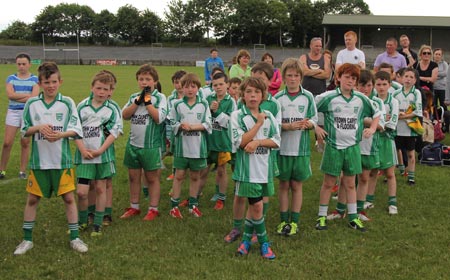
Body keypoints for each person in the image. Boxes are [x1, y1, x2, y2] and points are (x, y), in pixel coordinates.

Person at [13, 62, 88, 255]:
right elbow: (24, 131)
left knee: (69, 198)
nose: (50, 86)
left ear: (60, 81)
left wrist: (60, 135)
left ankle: (75, 238)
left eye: (54, 81)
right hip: (39, 163)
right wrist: (38, 128)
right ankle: (27, 240)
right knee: (32, 200)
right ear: (40, 83)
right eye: (46, 82)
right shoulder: (31, 104)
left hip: (62, 162)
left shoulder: (67, 103)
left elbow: (76, 129)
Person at [314, 63, 380, 232]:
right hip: (334, 147)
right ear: (338, 77)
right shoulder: (328, 97)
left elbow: (377, 112)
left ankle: (353, 217)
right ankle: (321, 217)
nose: (350, 81)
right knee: (328, 183)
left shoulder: (361, 99)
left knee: (350, 183)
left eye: (353, 78)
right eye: (347, 77)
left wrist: (372, 128)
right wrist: (316, 127)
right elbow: (310, 109)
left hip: (352, 147)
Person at [231, 77, 280, 260]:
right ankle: (264, 242)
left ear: (263, 95)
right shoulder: (237, 115)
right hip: (247, 171)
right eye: (249, 92)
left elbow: (276, 141)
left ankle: (245, 240)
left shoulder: (269, 115)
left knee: (255, 208)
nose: (253, 96)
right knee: (257, 206)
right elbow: (241, 142)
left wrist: (258, 141)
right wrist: (258, 124)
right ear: (243, 95)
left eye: (257, 92)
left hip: (264, 170)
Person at [274, 58, 318, 236]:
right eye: (289, 75)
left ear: (301, 77)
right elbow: (273, 124)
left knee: (297, 185)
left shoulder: (307, 97)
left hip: (301, 150)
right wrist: (287, 127)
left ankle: (295, 222)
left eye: (296, 75)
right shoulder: (277, 98)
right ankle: (283, 220)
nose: (293, 79)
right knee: (284, 185)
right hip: (282, 149)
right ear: (284, 77)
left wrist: (308, 124)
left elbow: (314, 119)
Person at [74, 71, 121, 236]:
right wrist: (82, 150)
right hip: (84, 156)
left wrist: (100, 150)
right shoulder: (82, 106)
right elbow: (75, 130)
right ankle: (82, 221)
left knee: (101, 188)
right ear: (92, 87)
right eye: (98, 88)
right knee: (81, 191)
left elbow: (114, 132)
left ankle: (98, 224)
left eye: (105, 89)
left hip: (103, 156)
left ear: (110, 91)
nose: (101, 92)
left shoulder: (112, 108)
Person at [120, 64, 167, 221]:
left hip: (151, 146)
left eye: (148, 79)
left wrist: (147, 103)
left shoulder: (160, 98)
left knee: (152, 178)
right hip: (133, 145)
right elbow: (125, 115)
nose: (144, 82)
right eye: (141, 79)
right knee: (133, 177)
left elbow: (159, 118)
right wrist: (136, 102)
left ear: (155, 81)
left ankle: (153, 208)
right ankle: (134, 207)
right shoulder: (134, 96)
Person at [168, 73, 212, 218]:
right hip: (182, 147)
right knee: (179, 175)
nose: (190, 89)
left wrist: (194, 127)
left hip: (198, 148)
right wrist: (180, 125)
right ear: (182, 88)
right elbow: (172, 122)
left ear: (198, 88)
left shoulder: (204, 104)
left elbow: (208, 124)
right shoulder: (177, 104)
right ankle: (174, 206)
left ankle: (193, 205)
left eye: (193, 86)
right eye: (186, 86)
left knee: (195, 176)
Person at [364, 71, 400, 215]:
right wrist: (379, 121)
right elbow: (366, 117)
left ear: (389, 85)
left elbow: (393, 122)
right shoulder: (371, 100)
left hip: (386, 140)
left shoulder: (393, 101)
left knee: (390, 173)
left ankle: (392, 203)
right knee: (373, 172)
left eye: (384, 84)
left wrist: (379, 123)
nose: (381, 87)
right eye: (378, 84)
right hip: (373, 140)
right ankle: (369, 200)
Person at [0, 53, 39, 179]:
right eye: (19, 64)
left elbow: (34, 98)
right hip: (13, 112)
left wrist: (20, 97)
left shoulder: (34, 79)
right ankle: (2, 170)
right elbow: (10, 95)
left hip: (27, 113)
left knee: (25, 142)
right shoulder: (11, 78)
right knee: (7, 142)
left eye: (24, 64)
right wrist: (27, 97)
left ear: (29, 64)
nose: (21, 66)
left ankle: (22, 171)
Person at [201, 72, 236, 209]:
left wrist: (215, 112)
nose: (218, 87)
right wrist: (209, 110)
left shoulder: (231, 101)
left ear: (227, 84)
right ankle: (194, 197)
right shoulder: (208, 98)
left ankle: (221, 198)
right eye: (215, 85)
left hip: (222, 142)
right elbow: (203, 117)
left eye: (221, 84)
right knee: (203, 170)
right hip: (209, 141)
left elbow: (229, 122)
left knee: (221, 170)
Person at [393, 67, 422, 185]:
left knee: (410, 153)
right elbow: (392, 109)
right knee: (395, 151)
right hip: (397, 128)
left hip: (410, 129)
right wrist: (396, 114)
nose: (408, 79)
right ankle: (391, 173)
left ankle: (411, 177)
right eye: (406, 76)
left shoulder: (416, 93)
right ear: (402, 78)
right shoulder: (396, 93)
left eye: (411, 77)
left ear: (415, 80)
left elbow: (418, 111)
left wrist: (403, 116)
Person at [165, 70, 187, 182]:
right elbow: (170, 115)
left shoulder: (193, 95)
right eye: (176, 82)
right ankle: (175, 172)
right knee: (175, 150)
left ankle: (189, 170)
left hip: (189, 128)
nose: (179, 85)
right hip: (176, 128)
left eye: (181, 82)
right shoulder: (170, 98)